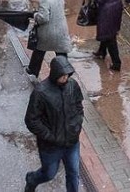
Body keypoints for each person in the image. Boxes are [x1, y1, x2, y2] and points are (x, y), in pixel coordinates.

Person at [24, 55, 83, 192]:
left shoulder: (72, 86)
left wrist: (77, 123)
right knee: (49, 173)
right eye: (63, 76)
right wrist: (50, 136)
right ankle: (32, 179)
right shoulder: (41, 92)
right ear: (55, 73)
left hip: (72, 141)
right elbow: (31, 120)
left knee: (74, 174)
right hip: (51, 146)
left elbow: (79, 105)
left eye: (67, 75)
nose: (66, 78)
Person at [27, 0, 73, 79]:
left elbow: (43, 18)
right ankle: (65, 72)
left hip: (48, 32)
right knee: (61, 53)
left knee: (39, 51)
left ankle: (33, 71)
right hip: (61, 29)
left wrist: (35, 15)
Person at [90, 0, 123, 71]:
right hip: (117, 7)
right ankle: (101, 51)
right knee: (109, 32)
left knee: (110, 37)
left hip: (106, 11)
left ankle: (116, 63)